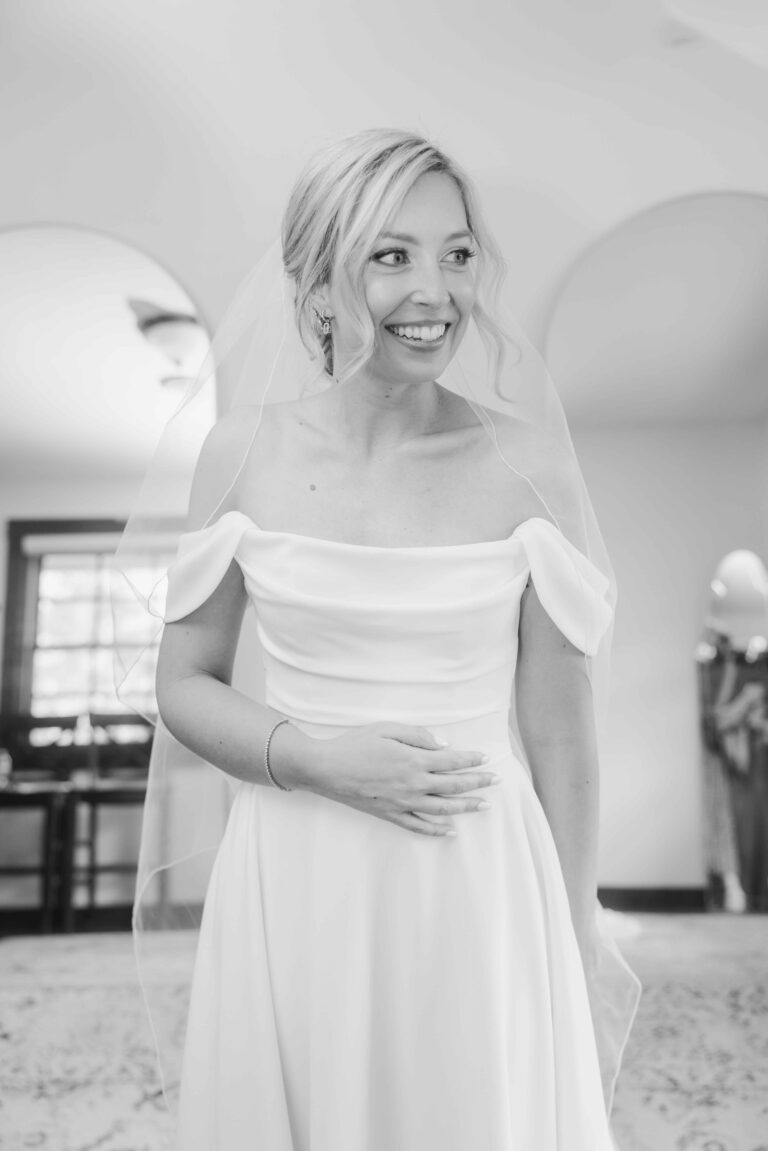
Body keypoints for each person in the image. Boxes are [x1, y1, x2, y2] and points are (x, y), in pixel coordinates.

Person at [116, 129, 641, 1150]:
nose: (435, 288)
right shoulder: (243, 451)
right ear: (316, 284)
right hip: (301, 861)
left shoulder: (528, 462)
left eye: (456, 252)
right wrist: (313, 756)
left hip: (481, 869)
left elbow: (562, 728)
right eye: (390, 255)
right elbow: (184, 681)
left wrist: (570, 929)